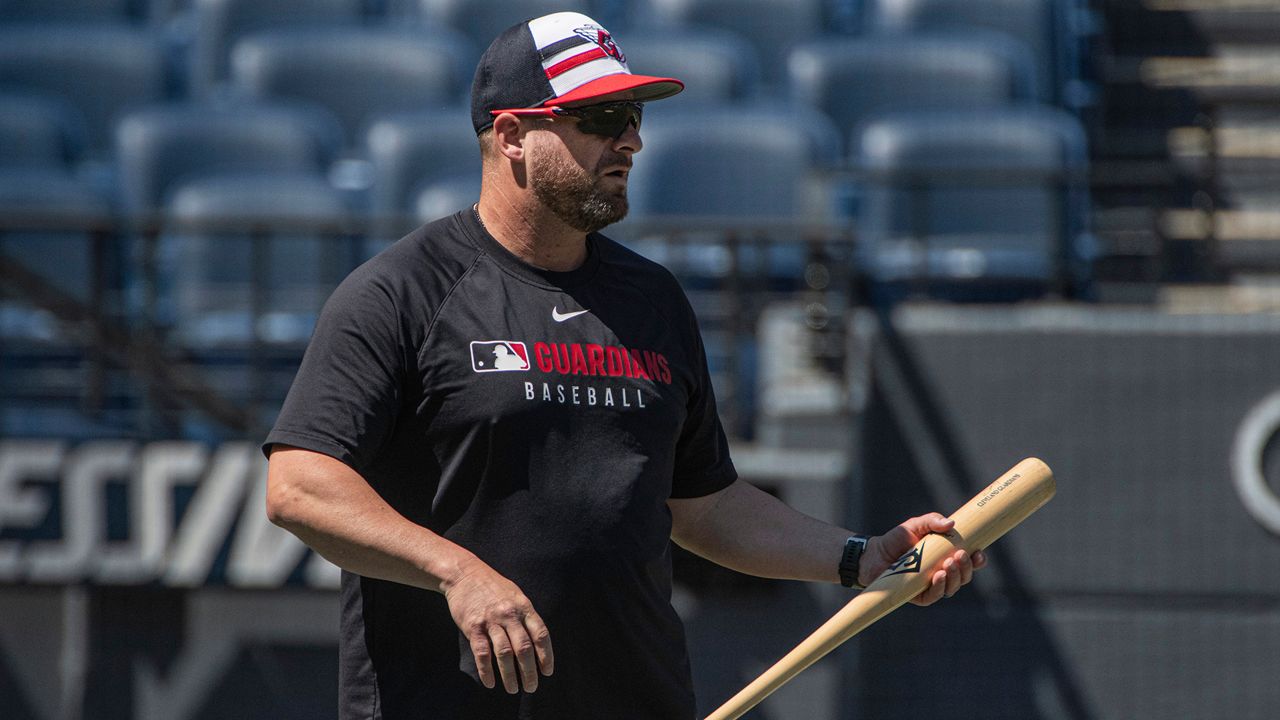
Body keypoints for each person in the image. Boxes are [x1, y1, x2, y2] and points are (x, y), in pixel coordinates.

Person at [264, 11, 986, 720]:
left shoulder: (654, 298)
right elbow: (299, 486)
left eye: (634, 115)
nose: (632, 140)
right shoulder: (400, 290)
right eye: (603, 117)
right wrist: (457, 573)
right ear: (512, 134)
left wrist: (860, 556)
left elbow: (704, 505)